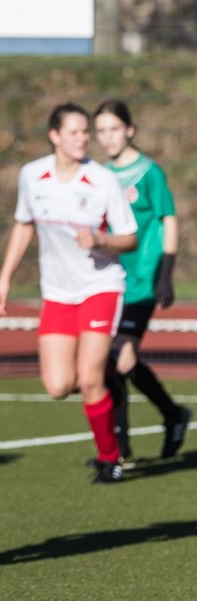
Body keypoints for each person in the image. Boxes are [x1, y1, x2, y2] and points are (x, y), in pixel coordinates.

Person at [0, 103, 138, 484]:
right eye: (74, 131)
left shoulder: (102, 180)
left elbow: (130, 237)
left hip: (99, 287)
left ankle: (111, 458)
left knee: (88, 379)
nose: (83, 138)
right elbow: (24, 226)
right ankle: (104, 368)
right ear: (54, 136)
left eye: (85, 132)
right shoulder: (32, 176)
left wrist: (101, 238)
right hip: (57, 293)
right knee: (58, 385)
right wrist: (4, 278)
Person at [93, 99, 191, 459]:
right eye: (101, 130)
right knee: (109, 358)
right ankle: (122, 444)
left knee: (123, 354)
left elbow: (169, 220)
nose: (108, 137)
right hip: (110, 280)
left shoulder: (149, 173)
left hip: (143, 279)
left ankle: (171, 413)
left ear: (130, 130)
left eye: (114, 129)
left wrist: (165, 275)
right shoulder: (100, 175)